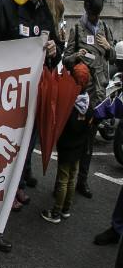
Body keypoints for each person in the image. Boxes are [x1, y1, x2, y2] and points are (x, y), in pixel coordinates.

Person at [0, 0, 61, 191]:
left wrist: (54, 49)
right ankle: (2, 191)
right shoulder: (5, 6)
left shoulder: (44, 10)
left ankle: (18, 185)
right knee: (4, 145)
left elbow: (56, 48)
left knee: (26, 144)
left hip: (33, 95)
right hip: (5, 97)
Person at [63, 0, 114, 198]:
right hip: (81, 98)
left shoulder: (104, 28)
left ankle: (82, 181)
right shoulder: (76, 28)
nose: (95, 17)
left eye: (98, 14)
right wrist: (77, 55)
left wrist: (108, 47)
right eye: (93, 13)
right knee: (76, 140)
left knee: (89, 144)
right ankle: (69, 178)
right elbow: (66, 60)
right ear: (86, 9)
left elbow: (111, 59)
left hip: (98, 97)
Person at [42, 63, 93, 224]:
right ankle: (66, 209)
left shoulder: (69, 104)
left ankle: (56, 212)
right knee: (72, 177)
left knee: (63, 179)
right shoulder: (88, 103)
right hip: (79, 147)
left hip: (67, 146)